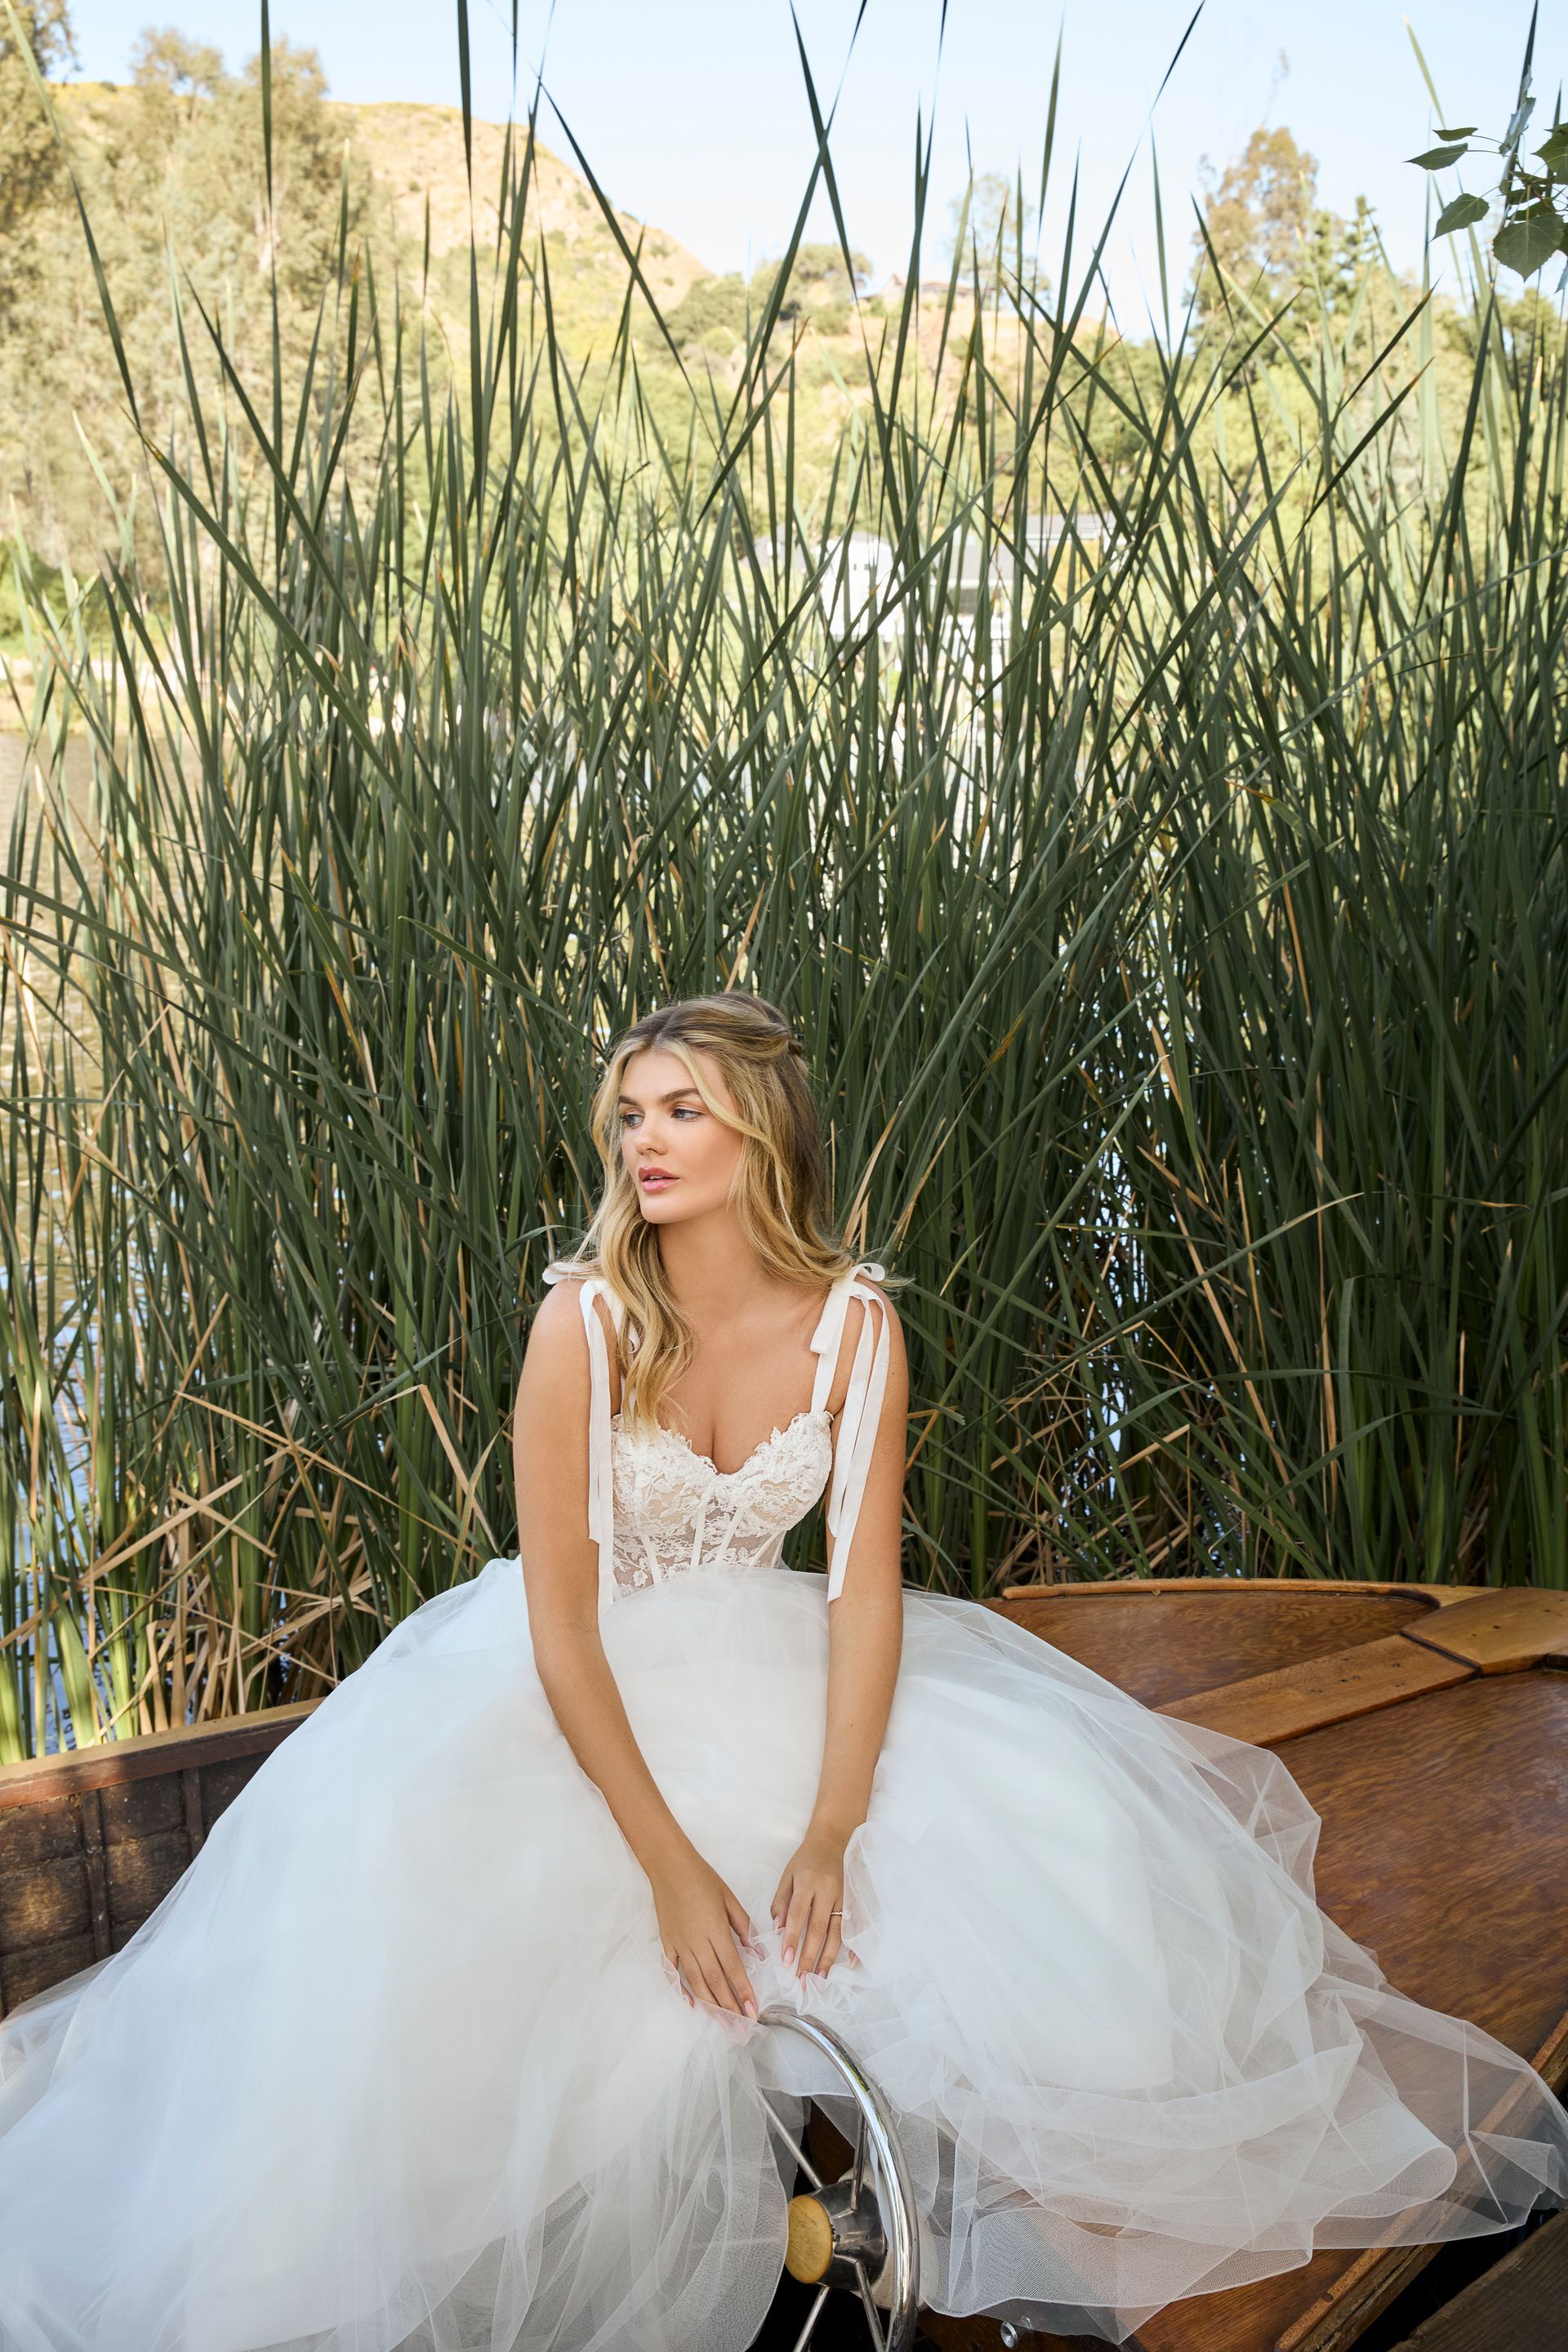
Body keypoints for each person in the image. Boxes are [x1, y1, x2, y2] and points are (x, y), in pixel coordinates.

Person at [0, 991, 1564, 2352]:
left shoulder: (860, 1330)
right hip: (571, 1697)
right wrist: (675, 1865)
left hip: (771, 1677)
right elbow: (559, 1627)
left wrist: (828, 1823)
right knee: (563, 1970)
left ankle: (961, 2235)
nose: (646, 1145)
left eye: (684, 1110)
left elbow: (864, 1601)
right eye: (628, 1118)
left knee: (1017, 1875)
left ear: (762, 1131)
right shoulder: (588, 1322)